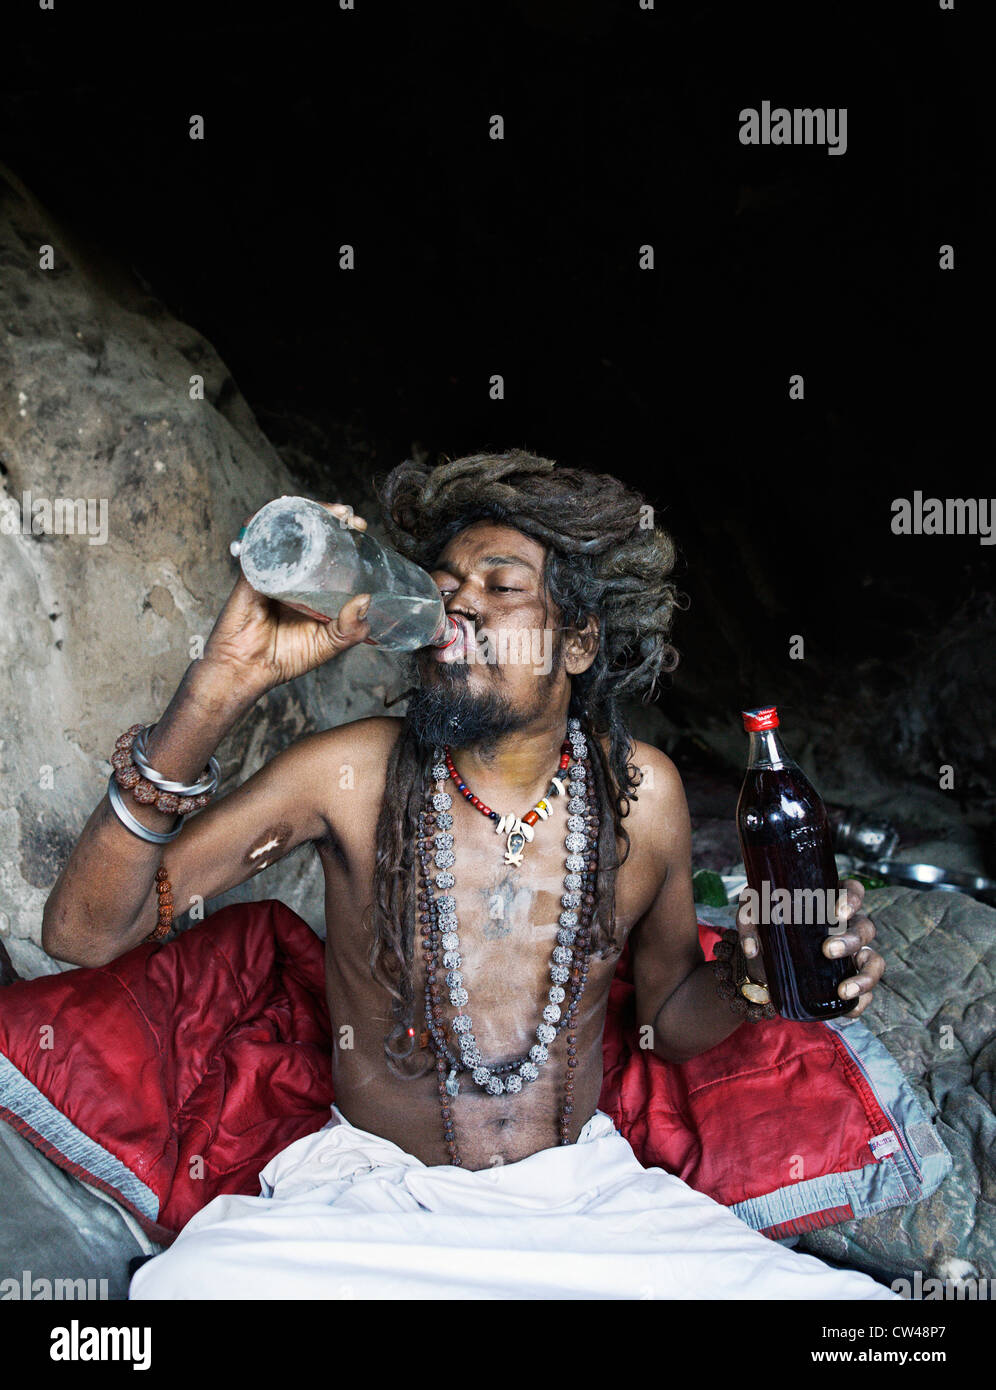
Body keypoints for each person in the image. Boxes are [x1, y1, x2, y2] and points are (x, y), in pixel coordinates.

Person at [40, 450, 892, 1299]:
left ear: (580, 642)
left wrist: (753, 977)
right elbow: (84, 934)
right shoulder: (349, 774)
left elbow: (666, 1023)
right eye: (443, 583)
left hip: (584, 1204)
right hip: (372, 1204)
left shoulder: (641, 795)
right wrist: (221, 686)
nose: (459, 602)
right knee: (193, 1290)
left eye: (501, 584)